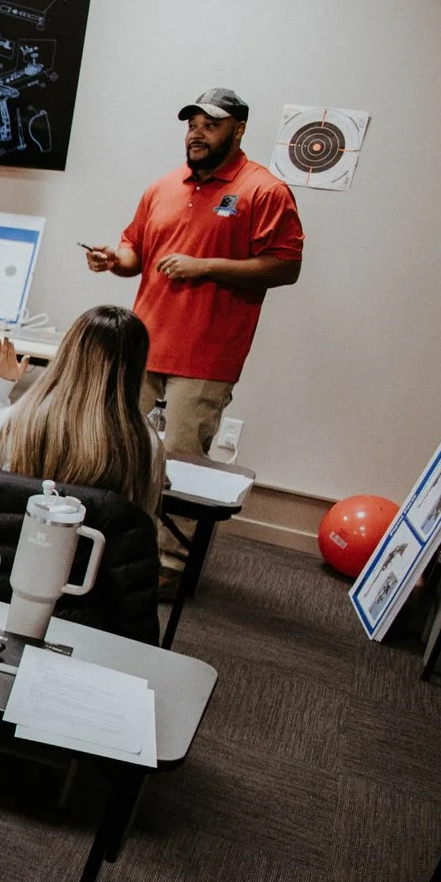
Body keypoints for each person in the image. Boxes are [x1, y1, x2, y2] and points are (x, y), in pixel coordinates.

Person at [84, 88, 301, 568]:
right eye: (192, 124)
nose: (197, 133)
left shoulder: (262, 190)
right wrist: (112, 260)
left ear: (238, 130)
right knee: (116, 446)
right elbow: (134, 251)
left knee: (178, 462)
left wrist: (205, 267)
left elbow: (285, 266)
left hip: (206, 355)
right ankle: (107, 548)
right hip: (141, 345)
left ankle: (167, 565)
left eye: (211, 124)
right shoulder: (162, 187)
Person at [0, 308, 163, 515]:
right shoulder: (147, 444)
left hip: (15, 546)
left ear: (68, 355)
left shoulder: (20, 421)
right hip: (98, 552)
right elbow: (143, 518)